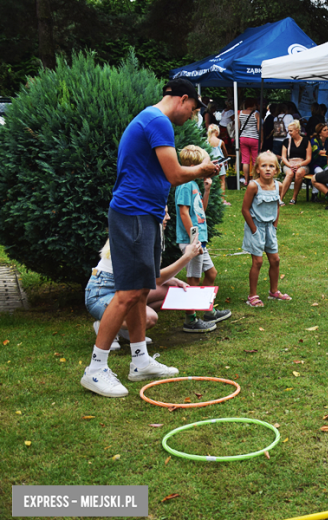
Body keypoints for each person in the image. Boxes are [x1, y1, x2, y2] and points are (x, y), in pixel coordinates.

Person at [80, 77, 219, 398]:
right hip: (134, 214)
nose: (193, 117)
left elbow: (159, 174)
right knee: (128, 293)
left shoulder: (151, 120)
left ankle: (140, 359)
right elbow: (174, 174)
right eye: (194, 110)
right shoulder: (158, 121)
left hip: (146, 215)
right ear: (183, 99)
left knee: (141, 290)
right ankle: (96, 369)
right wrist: (202, 170)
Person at [86, 207, 203, 349]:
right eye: (164, 213)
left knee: (171, 291)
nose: (168, 218)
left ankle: (124, 328)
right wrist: (187, 257)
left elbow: (147, 274)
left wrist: (170, 280)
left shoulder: (148, 233)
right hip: (101, 292)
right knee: (149, 318)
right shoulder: (136, 236)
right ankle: (107, 324)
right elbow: (155, 280)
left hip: (123, 289)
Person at [175, 145, 232, 333]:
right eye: (204, 164)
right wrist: (193, 240)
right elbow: (183, 213)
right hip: (192, 240)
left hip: (199, 240)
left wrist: (206, 190)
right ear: (194, 165)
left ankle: (208, 310)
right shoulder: (184, 185)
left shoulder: (194, 185)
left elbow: (200, 212)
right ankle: (190, 320)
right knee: (193, 279)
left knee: (211, 274)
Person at [241, 151, 290, 307]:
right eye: (264, 166)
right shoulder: (253, 186)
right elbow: (245, 209)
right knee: (258, 261)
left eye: (271, 166)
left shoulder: (279, 186)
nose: (268, 169)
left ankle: (273, 292)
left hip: (270, 228)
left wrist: (275, 226)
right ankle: (252, 296)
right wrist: (254, 229)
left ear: (276, 170)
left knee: (275, 260)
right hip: (255, 227)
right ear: (257, 169)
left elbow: (277, 205)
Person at [279, 120, 312, 205]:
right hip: (289, 163)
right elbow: (283, 157)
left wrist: (299, 165)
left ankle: (294, 198)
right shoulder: (286, 142)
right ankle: (280, 198)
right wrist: (290, 165)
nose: (289, 133)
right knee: (290, 173)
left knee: (299, 172)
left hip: (302, 164)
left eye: (291, 131)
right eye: (288, 130)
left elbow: (308, 159)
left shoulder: (306, 141)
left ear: (297, 130)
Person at [238, 98, 261, 187]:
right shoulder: (256, 114)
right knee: (255, 160)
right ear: (254, 104)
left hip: (243, 138)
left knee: (245, 160)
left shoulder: (240, 113)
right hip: (254, 138)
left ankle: (246, 180)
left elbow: (239, 127)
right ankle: (255, 179)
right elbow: (258, 128)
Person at [207, 124, 230, 206]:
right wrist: (226, 159)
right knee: (222, 181)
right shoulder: (220, 142)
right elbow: (225, 153)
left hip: (210, 162)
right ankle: (222, 200)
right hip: (220, 163)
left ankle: (210, 197)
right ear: (217, 131)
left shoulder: (206, 141)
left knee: (210, 180)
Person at [309, 123, 328, 201]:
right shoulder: (314, 140)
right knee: (320, 174)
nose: (327, 131)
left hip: (325, 163)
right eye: (325, 130)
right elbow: (317, 151)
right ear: (319, 132)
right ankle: (314, 194)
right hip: (315, 164)